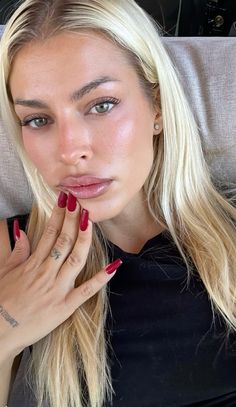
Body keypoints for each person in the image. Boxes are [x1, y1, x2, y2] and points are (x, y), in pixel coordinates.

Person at [0, 0, 235, 406]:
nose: (71, 150)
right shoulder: (14, 254)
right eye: (38, 120)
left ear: (157, 107)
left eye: (101, 105)